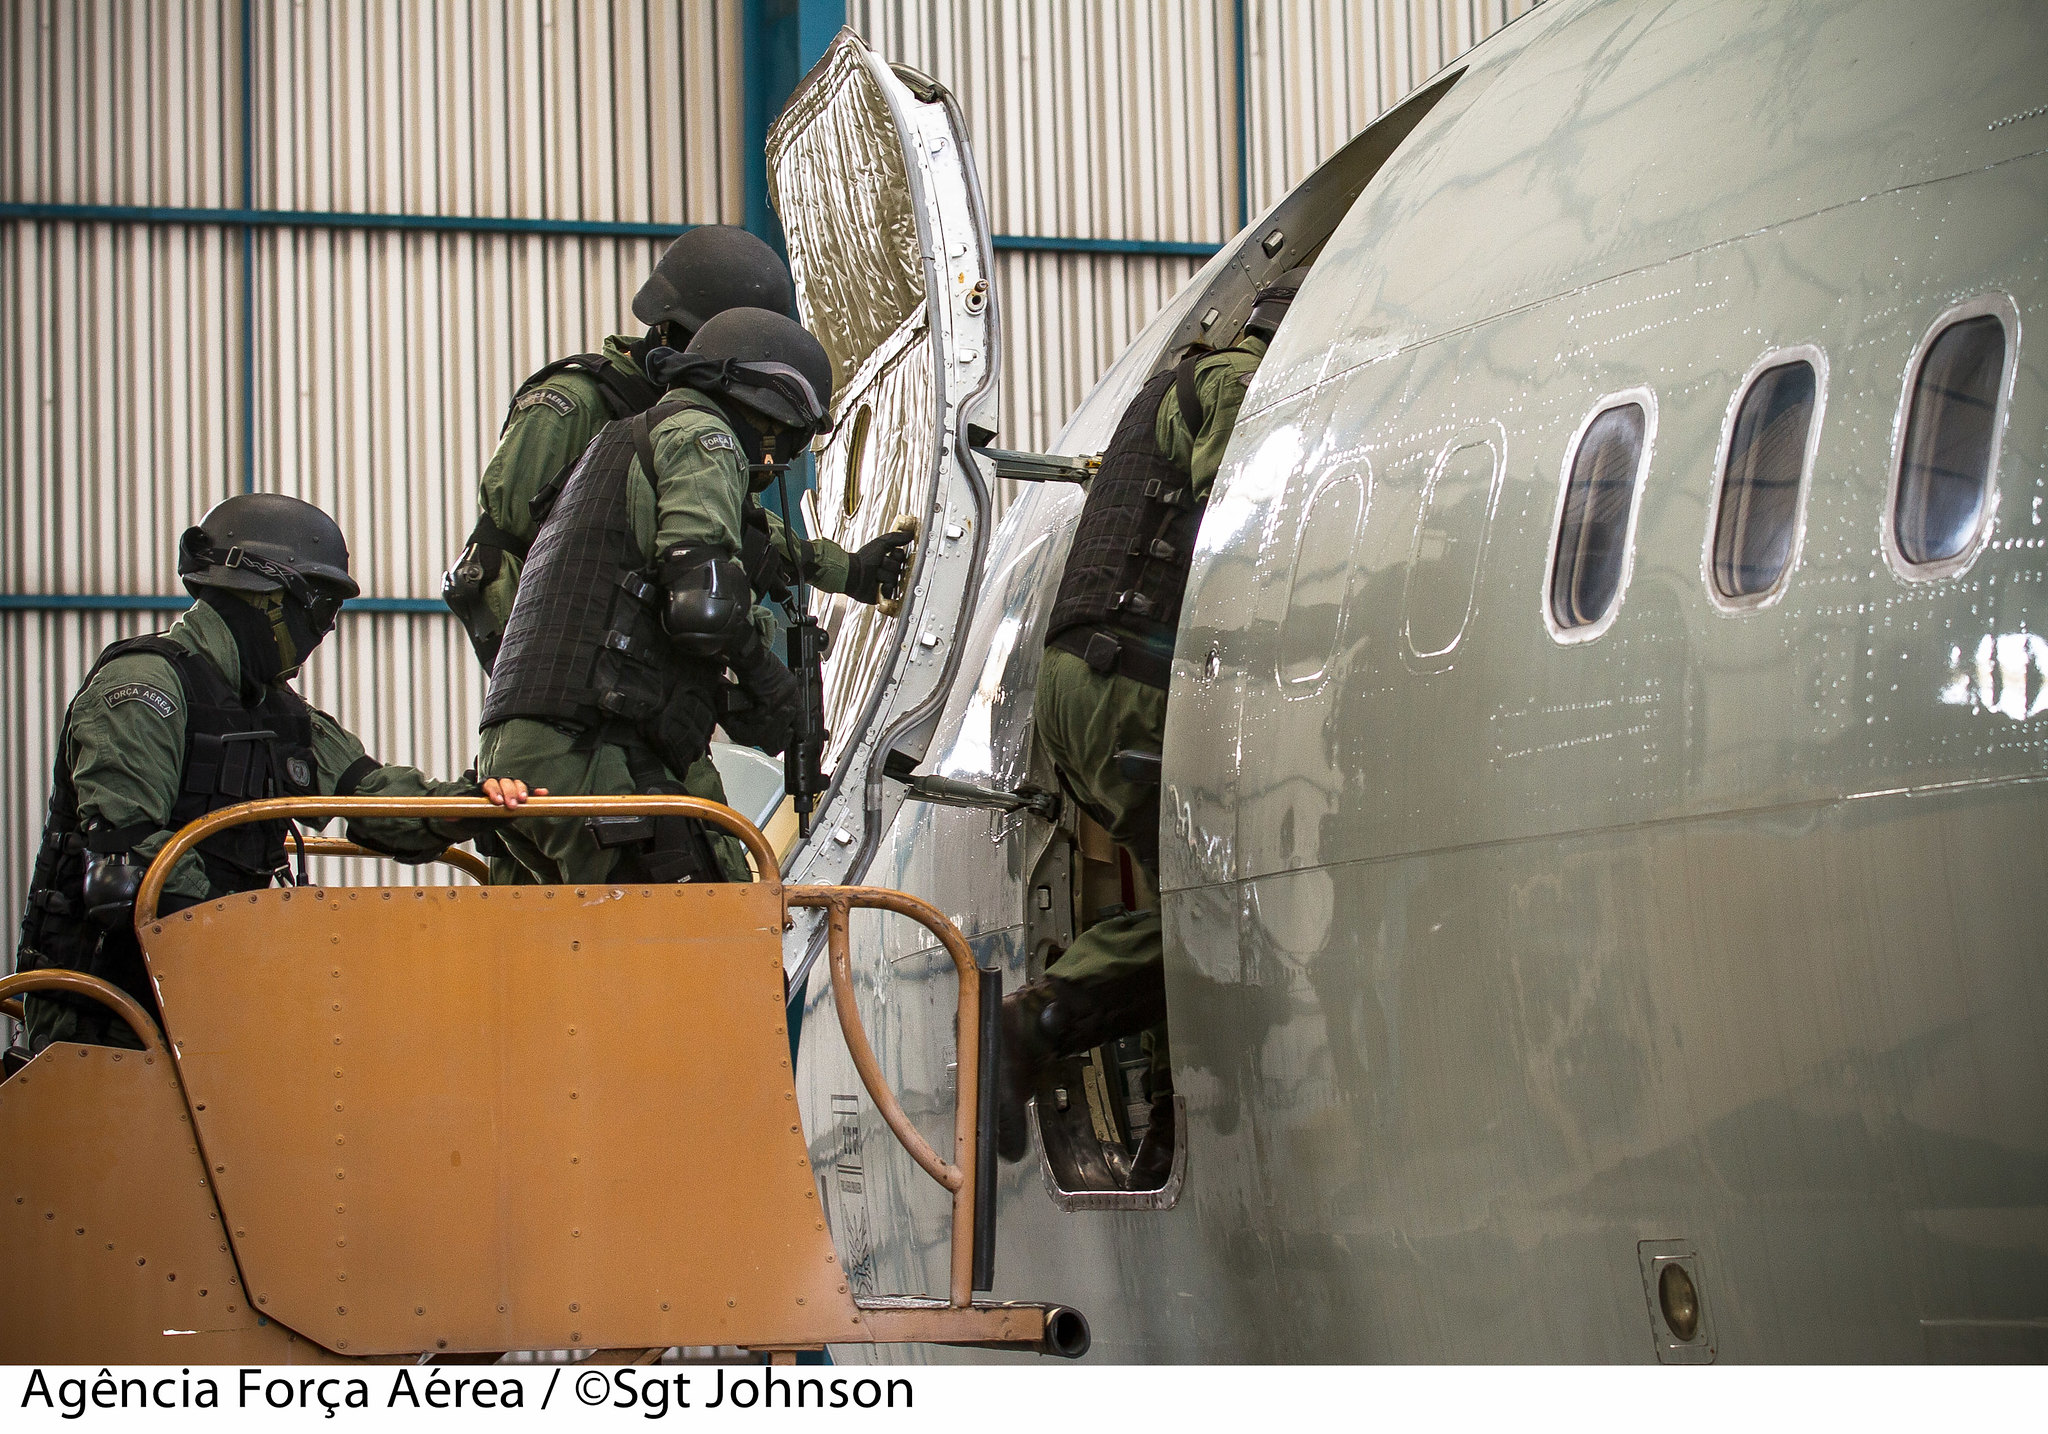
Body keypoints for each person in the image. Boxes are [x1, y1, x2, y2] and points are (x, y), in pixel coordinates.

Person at [442, 224, 908, 880]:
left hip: (608, 710)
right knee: (698, 912)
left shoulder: (665, 426)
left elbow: (740, 533)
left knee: (709, 884)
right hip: (584, 715)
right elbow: (512, 555)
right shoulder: (617, 414)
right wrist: (565, 693)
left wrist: (849, 571)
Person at [12, 493, 541, 1056]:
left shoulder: (276, 712)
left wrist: (470, 804)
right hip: (106, 1015)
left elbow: (370, 795)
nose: (325, 628)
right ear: (265, 595)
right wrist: (264, 952)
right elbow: (126, 872)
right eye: (322, 605)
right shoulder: (143, 689)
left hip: (207, 1002)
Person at [1000, 268, 1309, 1187]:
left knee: (1186, 897)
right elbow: (1245, 507)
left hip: (1082, 683)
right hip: (1129, 684)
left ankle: (1166, 1127)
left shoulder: (1159, 396)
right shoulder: (1235, 381)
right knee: (1223, 909)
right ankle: (1036, 1028)